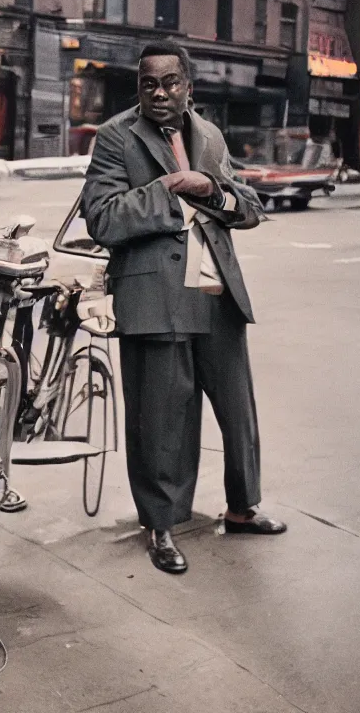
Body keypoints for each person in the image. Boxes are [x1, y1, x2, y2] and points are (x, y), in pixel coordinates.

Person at [80, 40, 286, 575]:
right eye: (149, 83)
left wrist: (214, 193)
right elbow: (101, 218)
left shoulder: (211, 135)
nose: (160, 92)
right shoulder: (114, 138)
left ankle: (242, 509)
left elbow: (250, 206)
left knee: (238, 414)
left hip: (216, 294)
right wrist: (171, 188)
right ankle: (162, 526)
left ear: (188, 86)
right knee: (161, 420)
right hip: (154, 296)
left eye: (170, 82)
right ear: (139, 88)